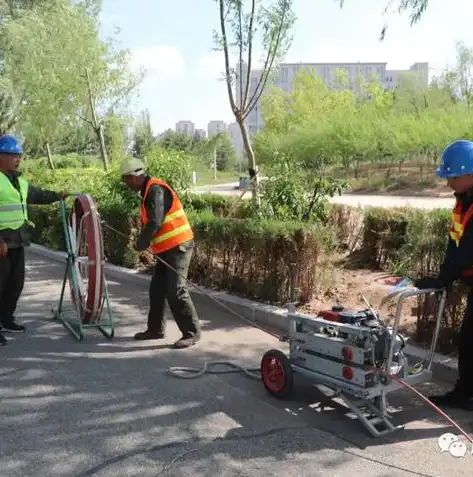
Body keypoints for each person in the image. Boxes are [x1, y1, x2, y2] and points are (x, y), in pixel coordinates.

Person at [413, 139, 473, 410]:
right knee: (469, 341)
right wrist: (442, 277)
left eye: (453, 176)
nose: (448, 182)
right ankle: (464, 394)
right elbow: (455, 243)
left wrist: (441, 281)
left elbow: (466, 252)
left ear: (470, 173)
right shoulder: (463, 202)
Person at [119, 157, 201, 349]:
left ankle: (192, 333)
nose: (126, 183)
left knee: (177, 291)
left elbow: (155, 222)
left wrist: (141, 242)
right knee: (157, 291)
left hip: (179, 247)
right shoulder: (148, 190)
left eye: (126, 179)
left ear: (135, 176)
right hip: (167, 249)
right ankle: (155, 330)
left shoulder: (155, 189)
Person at [0, 135, 69, 346]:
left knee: (15, 284)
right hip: (2, 242)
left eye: (19, 156)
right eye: (13, 155)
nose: (17, 160)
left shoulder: (19, 181)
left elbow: (38, 195)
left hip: (18, 240)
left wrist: (58, 195)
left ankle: (6, 319)